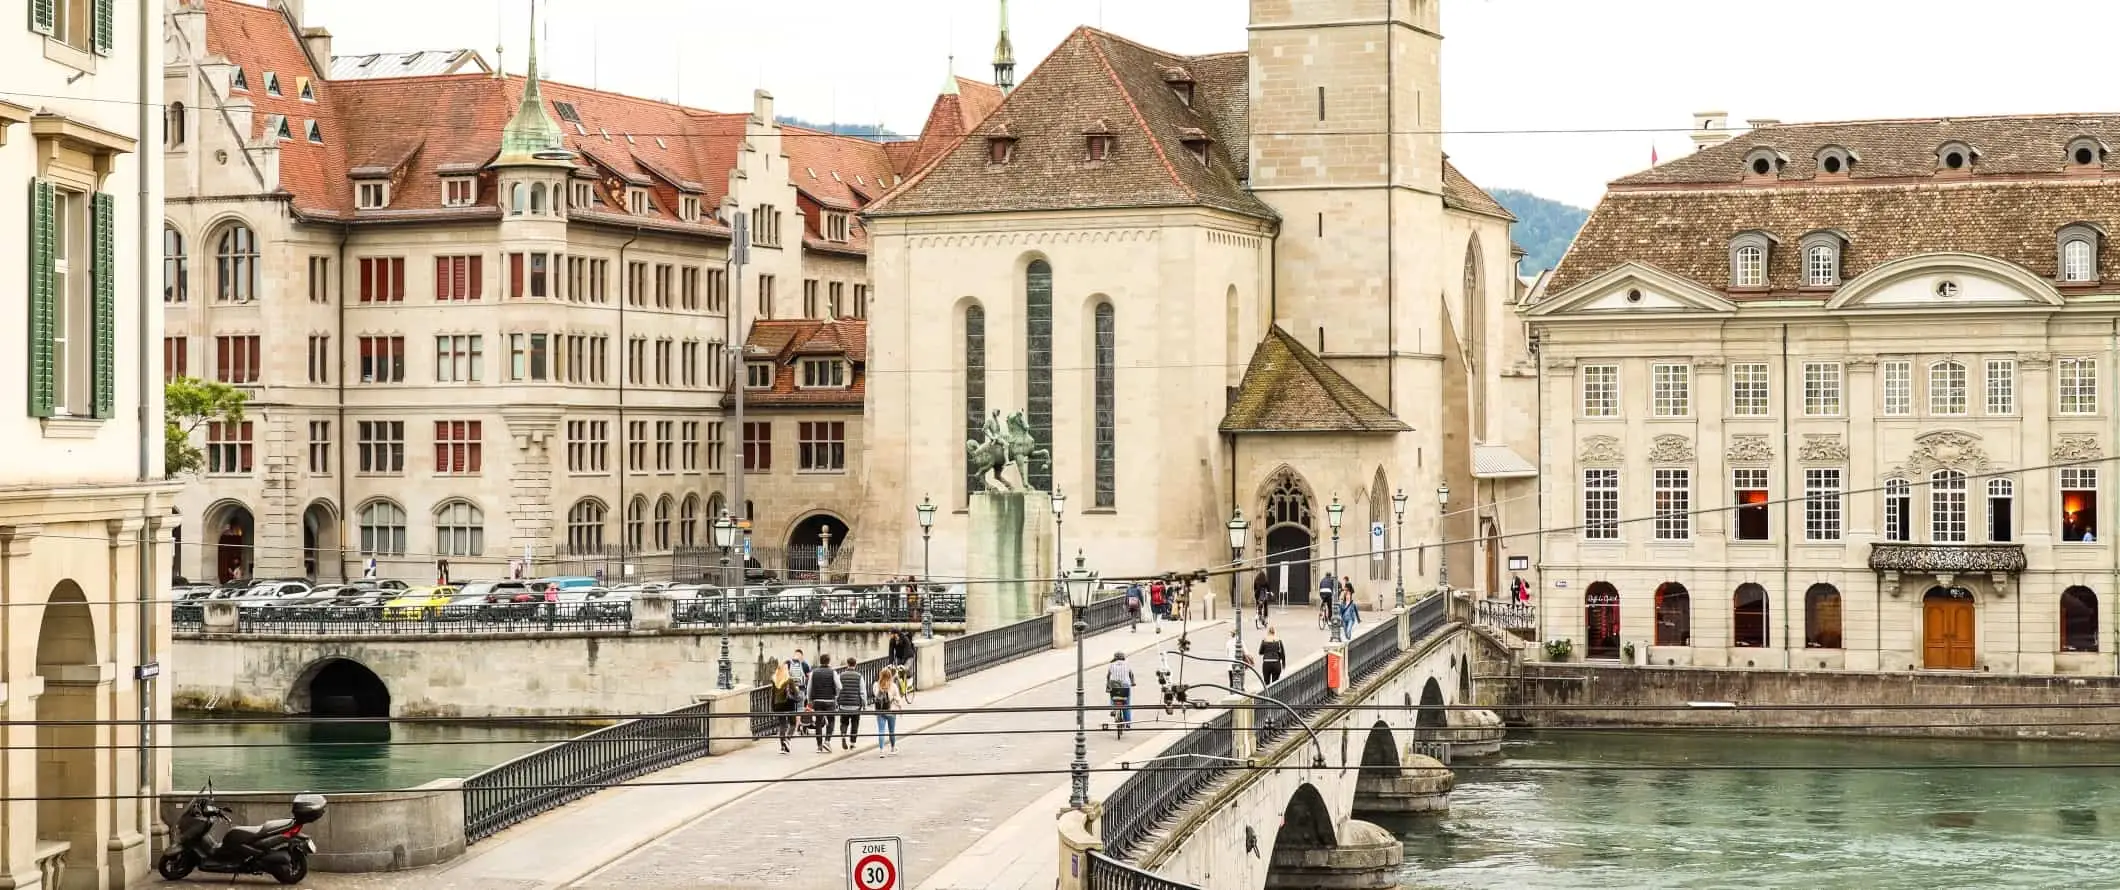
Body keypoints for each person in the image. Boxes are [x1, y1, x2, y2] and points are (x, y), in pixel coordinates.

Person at [805, 652, 839, 752]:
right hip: (829, 700)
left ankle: (819, 746)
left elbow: (809, 688)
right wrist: (836, 695)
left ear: (820, 661)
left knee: (818, 722)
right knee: (831, 720)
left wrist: (810, 699)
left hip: (817, 700)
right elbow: (839, 686)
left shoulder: (813, 673)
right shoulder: (832, 672)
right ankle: (827, 741)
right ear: (829, 661)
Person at [835, 656, 866, 750]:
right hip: (856, 705)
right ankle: (852, 743)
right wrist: (864, 704)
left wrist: (837, 702)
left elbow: (837, 690)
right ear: (855, 665)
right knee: (855, 723)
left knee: (844, 722)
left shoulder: (840, 676)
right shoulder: (859, 676)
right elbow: (862, 692)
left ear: (847, 664)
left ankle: (843, 735)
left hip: (843, 705)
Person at [771, 661, 802, 753]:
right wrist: (797, 690)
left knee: (782, 725)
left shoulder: (774, 680)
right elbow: (796, 694)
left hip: (778, 705)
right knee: (793, 723)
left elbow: (772, 695)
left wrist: (772, 705)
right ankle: (788, 739)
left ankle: (782, 747)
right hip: (788, 704)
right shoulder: (789, 680)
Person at [872, 664, 904, 755]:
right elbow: (898, 699)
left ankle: (881, 750)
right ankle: (893, 748)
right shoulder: (893, 686)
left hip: (880, 711)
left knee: (881, 731)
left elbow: (875, 695)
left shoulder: (876, 685)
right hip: (891, 710)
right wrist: (900, 708)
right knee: (892, 731)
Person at [1105, 651, 1135, 727]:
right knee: (1126, 704)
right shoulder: (1127, 664)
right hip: (1125, 685)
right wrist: (1132, 682)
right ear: (1123, 657)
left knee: (1113, 698)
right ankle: (1128, 723)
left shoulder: (1111, 665)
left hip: (1114, 685)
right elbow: (1131, 675)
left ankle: (1113, 710)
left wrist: (1108, 685)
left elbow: (1108, 676)